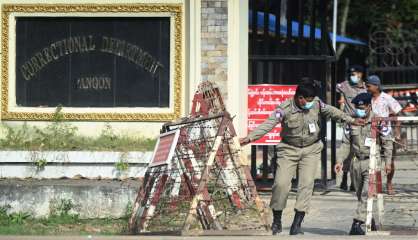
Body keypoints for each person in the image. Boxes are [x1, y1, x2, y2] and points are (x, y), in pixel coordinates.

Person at [240, 79, 365, 235]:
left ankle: (297, 224)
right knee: (281, 184)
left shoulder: (317, 104)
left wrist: (352, 119)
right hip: (288, 149)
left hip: (311, 150)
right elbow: (268, 124)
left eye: (312, 100)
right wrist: (249, 138)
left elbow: (333, 111)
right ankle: (277, 221)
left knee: (306, 185)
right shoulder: (284, 108)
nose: (310, 104)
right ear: (299, 98)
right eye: (308, 100)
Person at [334, 92, 393, 235]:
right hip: (356, 162)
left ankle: (356, 223)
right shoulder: (351, 121)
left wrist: (388, 162)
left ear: (369, 106)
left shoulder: (379, 121)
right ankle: (369, 220)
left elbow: (387, 142)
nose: (359, 109)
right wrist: (339, 161)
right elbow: (345, 143)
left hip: (373, 161)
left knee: (368, 193)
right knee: (361, 194)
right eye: (357, 107)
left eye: (362, 107)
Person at [366, 75, 402, 195]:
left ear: (376, 86)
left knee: (389, 159)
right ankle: (376, 185)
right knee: (374, 159)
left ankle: (389, 182)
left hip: (386, 133)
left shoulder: (387, 98)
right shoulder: (367, 98)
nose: (367, 88)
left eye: (369, 86)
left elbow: (398, 112)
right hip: (372, 133)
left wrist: (397, 132)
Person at [336, 65, 367, 191]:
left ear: (361, 74)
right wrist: (341, 113)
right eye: (351, 73)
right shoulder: (344, 85)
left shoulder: (366, 88)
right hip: (350, 123)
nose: (353, 76)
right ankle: (344, 176)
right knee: (347, 151)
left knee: (358, 151)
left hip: (363, 124)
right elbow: (340, 98)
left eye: (356, 73)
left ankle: (354, 182)